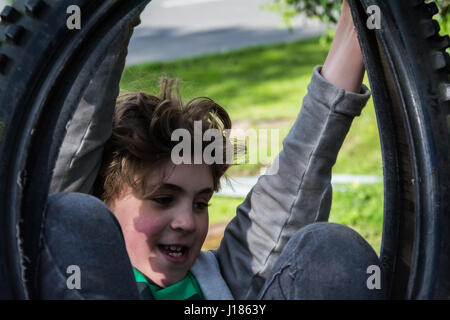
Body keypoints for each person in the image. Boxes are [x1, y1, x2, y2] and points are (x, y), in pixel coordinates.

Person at [41, 0, 386, 300]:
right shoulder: (66, 270)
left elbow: (294, 185)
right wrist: (109, 17)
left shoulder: (219, 283)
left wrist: (356, 26)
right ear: (103, 203)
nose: (187, 221)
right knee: (66, 213)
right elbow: (71, 154)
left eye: (201, 203)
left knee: (330, 248)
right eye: (163, 198)